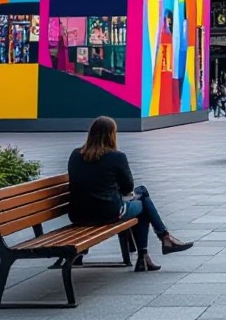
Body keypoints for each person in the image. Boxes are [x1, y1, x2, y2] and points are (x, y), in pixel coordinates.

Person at [68, 116, 192, 272]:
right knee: (143, 202)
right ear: (111, 135)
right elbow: (128, 188)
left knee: (142, 194)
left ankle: (153, 249)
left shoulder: (75, 155)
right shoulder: (116, 156)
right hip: (108, 213)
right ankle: (155, 246)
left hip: (78, 214)